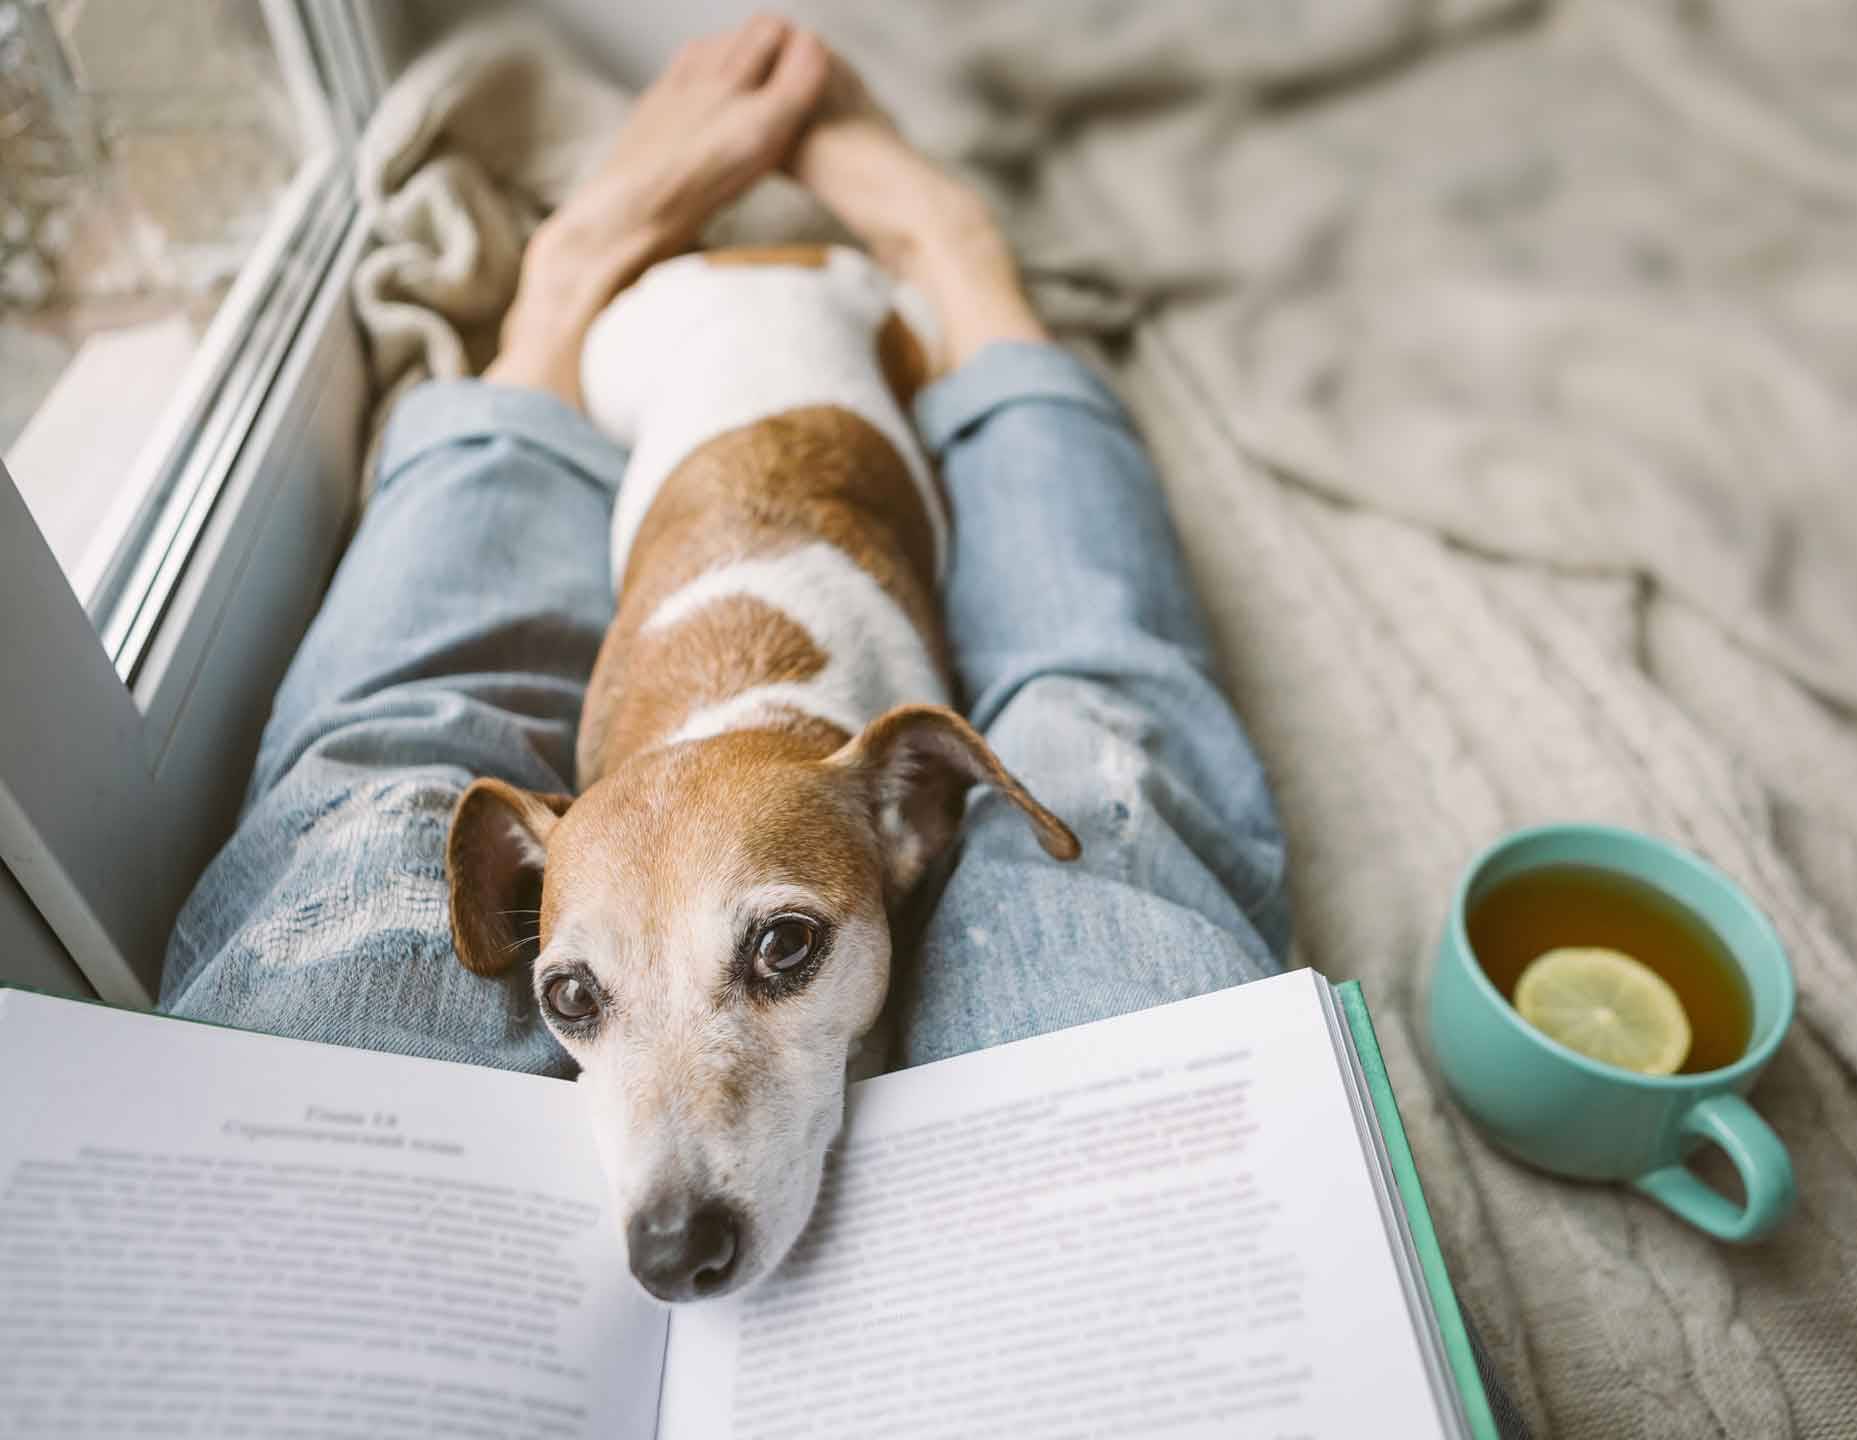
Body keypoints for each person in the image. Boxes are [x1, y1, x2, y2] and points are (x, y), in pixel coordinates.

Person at [159, 15, 1289, 1077]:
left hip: (845, 331)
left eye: (782, 951)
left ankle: (856, 267)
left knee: (387, 761)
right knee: (1095, 717)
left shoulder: (878, 797)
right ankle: (929, 280)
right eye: (576, 998)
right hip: (698, 366)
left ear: (915, 815)